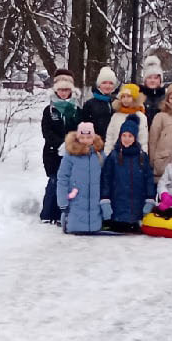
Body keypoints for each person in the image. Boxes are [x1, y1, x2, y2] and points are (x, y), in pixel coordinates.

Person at [100, 115, 155, 231]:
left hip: (137, 210)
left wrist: (150, 198)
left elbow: (148, 178)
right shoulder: (113, 156)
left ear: (135, 137)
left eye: (130, 136)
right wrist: (105, 199)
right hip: (117, 209)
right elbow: (106, 179)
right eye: (124, 135)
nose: (126, 139)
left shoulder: (141, 156)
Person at [40, 70, 81, 223]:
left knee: (67, 184)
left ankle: (61, 214)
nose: (64, 93)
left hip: (71, 153)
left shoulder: (76, 110)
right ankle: (47, 214)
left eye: (66, 90)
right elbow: (46, 131)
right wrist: (59, 143)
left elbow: (79, 129)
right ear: (56, 90)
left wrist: (71, 144)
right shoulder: (49, 110)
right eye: (61, 90)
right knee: (54, 182)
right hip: (52, 153)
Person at [58, 121, 106, 234]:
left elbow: (106, 175)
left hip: (95, 200)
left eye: (89, 137)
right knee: (75, 216)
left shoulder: (99, 154)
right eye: (82, 137)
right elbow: (62, 178)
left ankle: (93, 226)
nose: (85, 140)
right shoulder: (70, 155)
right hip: (75, 198)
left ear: (93, 138)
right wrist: (62, 201)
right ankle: (68, 223)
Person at [103, 82, 146, 153]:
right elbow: (110, 136)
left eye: (129, 96)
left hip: (134, 156)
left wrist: (143, 157)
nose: (125, 99)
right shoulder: (116, 116)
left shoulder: (140, 116)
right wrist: (107, 154)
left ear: (135, 98)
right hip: (116, 155)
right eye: (123, 97)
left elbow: (143, 139)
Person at [139, 56, 167, 125]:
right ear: (145, 80)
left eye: (155, 78)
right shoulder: (139, 96)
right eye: (149, 77)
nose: (152, 80)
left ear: (160, 80)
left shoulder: (166, 97)